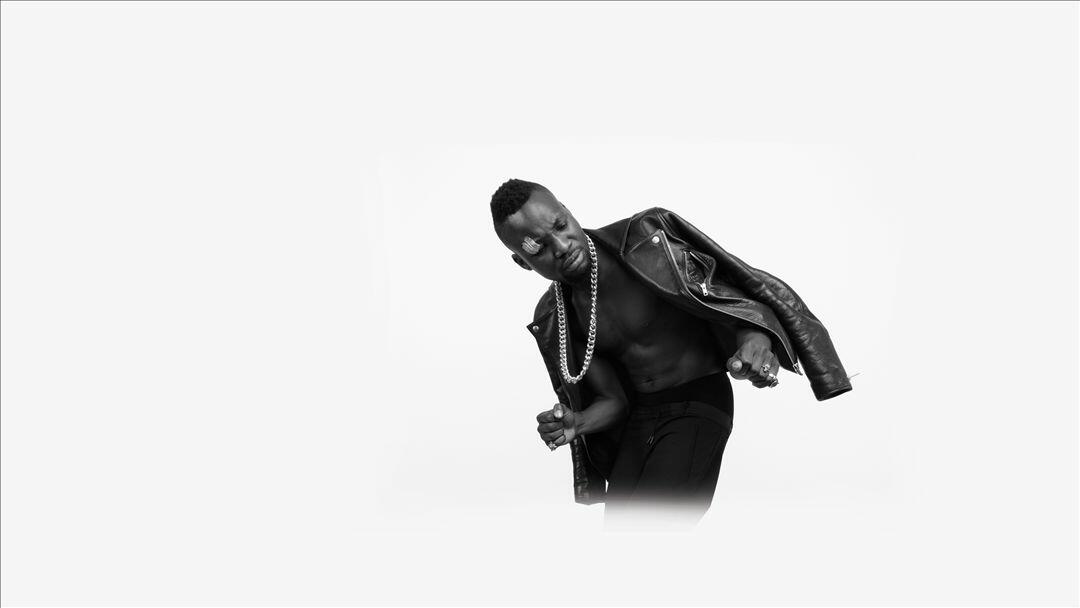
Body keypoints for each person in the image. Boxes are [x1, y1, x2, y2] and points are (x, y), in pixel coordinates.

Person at [490, 178, 852, 525]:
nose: (562, 245)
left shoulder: (647, 238)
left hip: (699, 400)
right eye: (538, 247)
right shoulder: (558, 315)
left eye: (560, 225)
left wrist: (756, 341)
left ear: (568, 211)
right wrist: (578, 423)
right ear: (522, 261)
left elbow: (734, 294)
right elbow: (613, 400)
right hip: (640, 419)